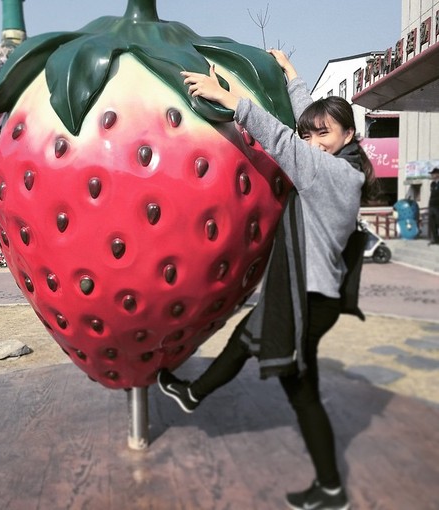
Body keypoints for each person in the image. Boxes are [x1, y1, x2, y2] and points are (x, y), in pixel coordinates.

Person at [157, 50, 377, 510]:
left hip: (308, 299)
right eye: (313, 134)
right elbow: (303, 129)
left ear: (349, 135)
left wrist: (229, 98)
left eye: (326, 134)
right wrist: (295, 77)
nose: (315, 141)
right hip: (313, 292)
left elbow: (284, 139)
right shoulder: (344, 164)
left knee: (302, 393)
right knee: (248, 337)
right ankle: (193, 394)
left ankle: (332, 489)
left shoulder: (329, 174)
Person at [428, 167, 439, 245]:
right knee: (432, 223)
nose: (431, 175)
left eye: (433, 174)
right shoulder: (432, 184)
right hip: (432, 206)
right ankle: (435, 239)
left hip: (438, 206)